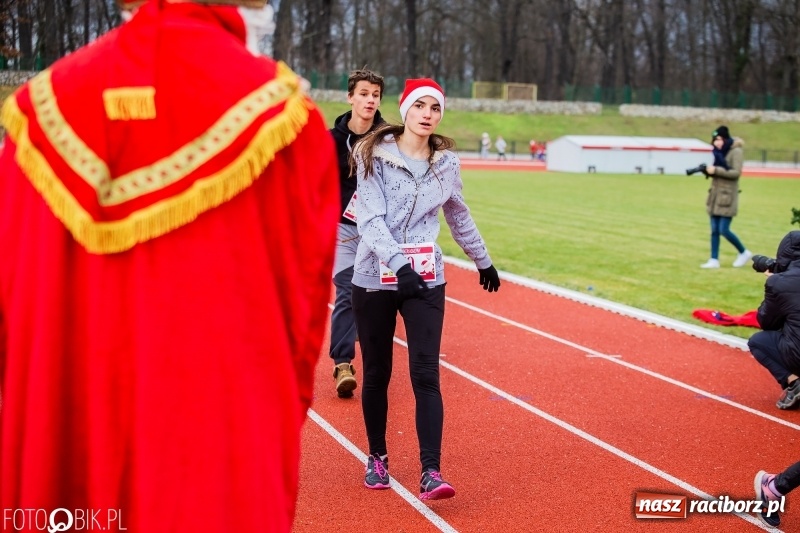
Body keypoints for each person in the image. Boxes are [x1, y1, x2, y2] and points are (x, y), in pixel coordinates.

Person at [0, 1, 339, 532]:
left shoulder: (38, 112)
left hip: (66, 441)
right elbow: (301, 319)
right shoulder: (281, 118)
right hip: (211, 455)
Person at [351, 78, 501, 501]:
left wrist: (483, 259)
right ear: (405, 110)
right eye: (420, 105)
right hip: (375, 276)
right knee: (377, 373)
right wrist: (398, 265)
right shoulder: (372, 155)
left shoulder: (446, 163)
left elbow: (457, 213)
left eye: (435, 107)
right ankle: (377, 457)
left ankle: (431, 471)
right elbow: (369, 220)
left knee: (425, 373)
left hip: (426, 278)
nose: (427, 114)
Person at [329, 68, 385, 398]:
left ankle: (373, 353)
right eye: (364, 94)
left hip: (378, 232)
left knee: (376, 299)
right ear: (350, 97)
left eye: (375, 95)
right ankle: (343, 363)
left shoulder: (389, 139)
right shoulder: (330, 140)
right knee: (347, 291)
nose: (370, 100)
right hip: (343, 231)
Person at [748, 231, 800, 412]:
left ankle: (794, 382)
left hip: (797, 354)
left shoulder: (778, 283)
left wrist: (774, 284)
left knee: (758, 341)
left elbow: (767, 323)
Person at [699, 125, 752, 268]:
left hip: (727, 196)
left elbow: (736, 173)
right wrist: (708, 171)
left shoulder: (736, 151)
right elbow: (718, 173)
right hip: (715, 196)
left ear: (726, 139)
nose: (717, 142)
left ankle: (743, 252)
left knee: (724, 229)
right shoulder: (718, 153)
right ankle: (714, 259)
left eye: (719, 139)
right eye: (715, 139)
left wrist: (716, 170)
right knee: (714, 230)